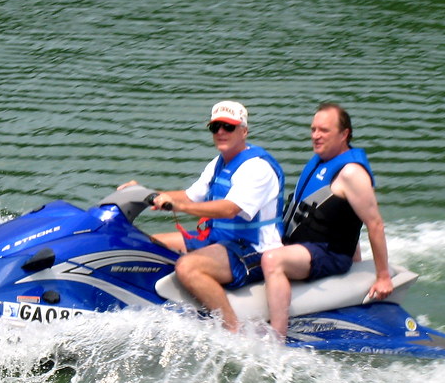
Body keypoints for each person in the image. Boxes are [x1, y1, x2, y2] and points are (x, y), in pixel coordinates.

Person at [133, 100, 284, 333]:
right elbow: (190, 196)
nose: (221, 132)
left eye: (228, 127)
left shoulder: (257, 168)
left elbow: (229, 209)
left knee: (187, 267)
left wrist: (178, 207)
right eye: (216, 128)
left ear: (244, 131)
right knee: (148, 245)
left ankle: (233, 331)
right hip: (221, 240)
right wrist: (143, 193)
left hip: (256, 249)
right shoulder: (219, 162)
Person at [261, 102, 394, 339]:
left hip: (328, 254)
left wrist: (382, 277)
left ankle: (276, 340)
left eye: (324, 130)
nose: (316, 136)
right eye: (313, 129)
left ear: (344, 134)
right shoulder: (320, 162)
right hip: (304, 248)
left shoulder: (351, 173)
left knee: (272, 261)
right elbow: (335, 215)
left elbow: (374, 224)